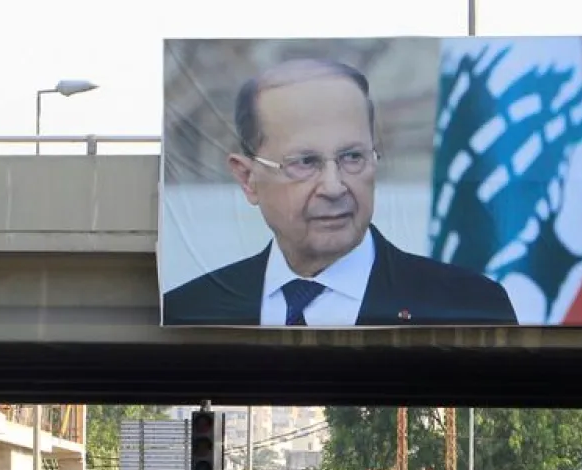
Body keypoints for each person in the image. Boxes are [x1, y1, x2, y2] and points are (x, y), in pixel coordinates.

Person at [161, 57, 518, 327]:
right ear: (247, 178)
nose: (334, 187)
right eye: (305, 162)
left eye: (352, 157)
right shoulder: (192, 308)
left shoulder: (469, 305)